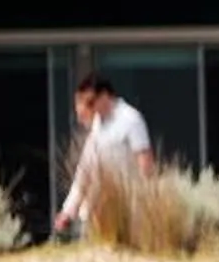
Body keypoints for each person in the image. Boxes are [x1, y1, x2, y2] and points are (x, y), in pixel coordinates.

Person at [53, 72, 154, 237]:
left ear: (105, 96)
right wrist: (68, 211)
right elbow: (84, 171)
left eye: (91, 102)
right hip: (98, 212)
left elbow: (145, 165)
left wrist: (143, 208)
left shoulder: (131, 120)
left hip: (128, 210)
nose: (89, 108)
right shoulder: (97, 126)